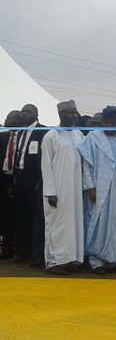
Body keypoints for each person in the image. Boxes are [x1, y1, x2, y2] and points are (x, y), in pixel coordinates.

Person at [77, 106, 116, 274]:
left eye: (113, 122)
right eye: (107, 122)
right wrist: (90, 187)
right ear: (102, 121)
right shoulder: (93, 137)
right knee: (99, 222)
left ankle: (112, 259)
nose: (110, 125)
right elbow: (86, 164)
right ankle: (96, 260)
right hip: (100, 186)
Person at [41, 100, 86, 275]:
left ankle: (70, 259)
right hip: (57, 189)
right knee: (57, 224)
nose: (75, 116)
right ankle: (54, 261)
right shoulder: (51, 135)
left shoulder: (78, 134)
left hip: (74, 188)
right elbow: (45, 166)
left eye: (76, 113)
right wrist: (50, 192)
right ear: (60, 115)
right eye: (70, 113)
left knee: (73, 223)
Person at [12, 104, 47, 267]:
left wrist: (40, 181)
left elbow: (45, 159)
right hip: (19, 177)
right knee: (20, 216)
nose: (23, 115)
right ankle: (22, 252)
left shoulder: (43, 131)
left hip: (35, 181)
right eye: (22, 112)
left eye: (27, 112)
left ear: (36, 114)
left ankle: (37, 253)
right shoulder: (19, 132)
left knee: (36, 217)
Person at [0, 110, 22, 259]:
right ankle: (5, 249)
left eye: (9, 117)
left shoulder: (24, 137)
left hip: (18, 180)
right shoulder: (2, 137)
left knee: (17, 215)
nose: (6, 120)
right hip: (2, 179)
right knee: (4, 215)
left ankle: (17, 248)